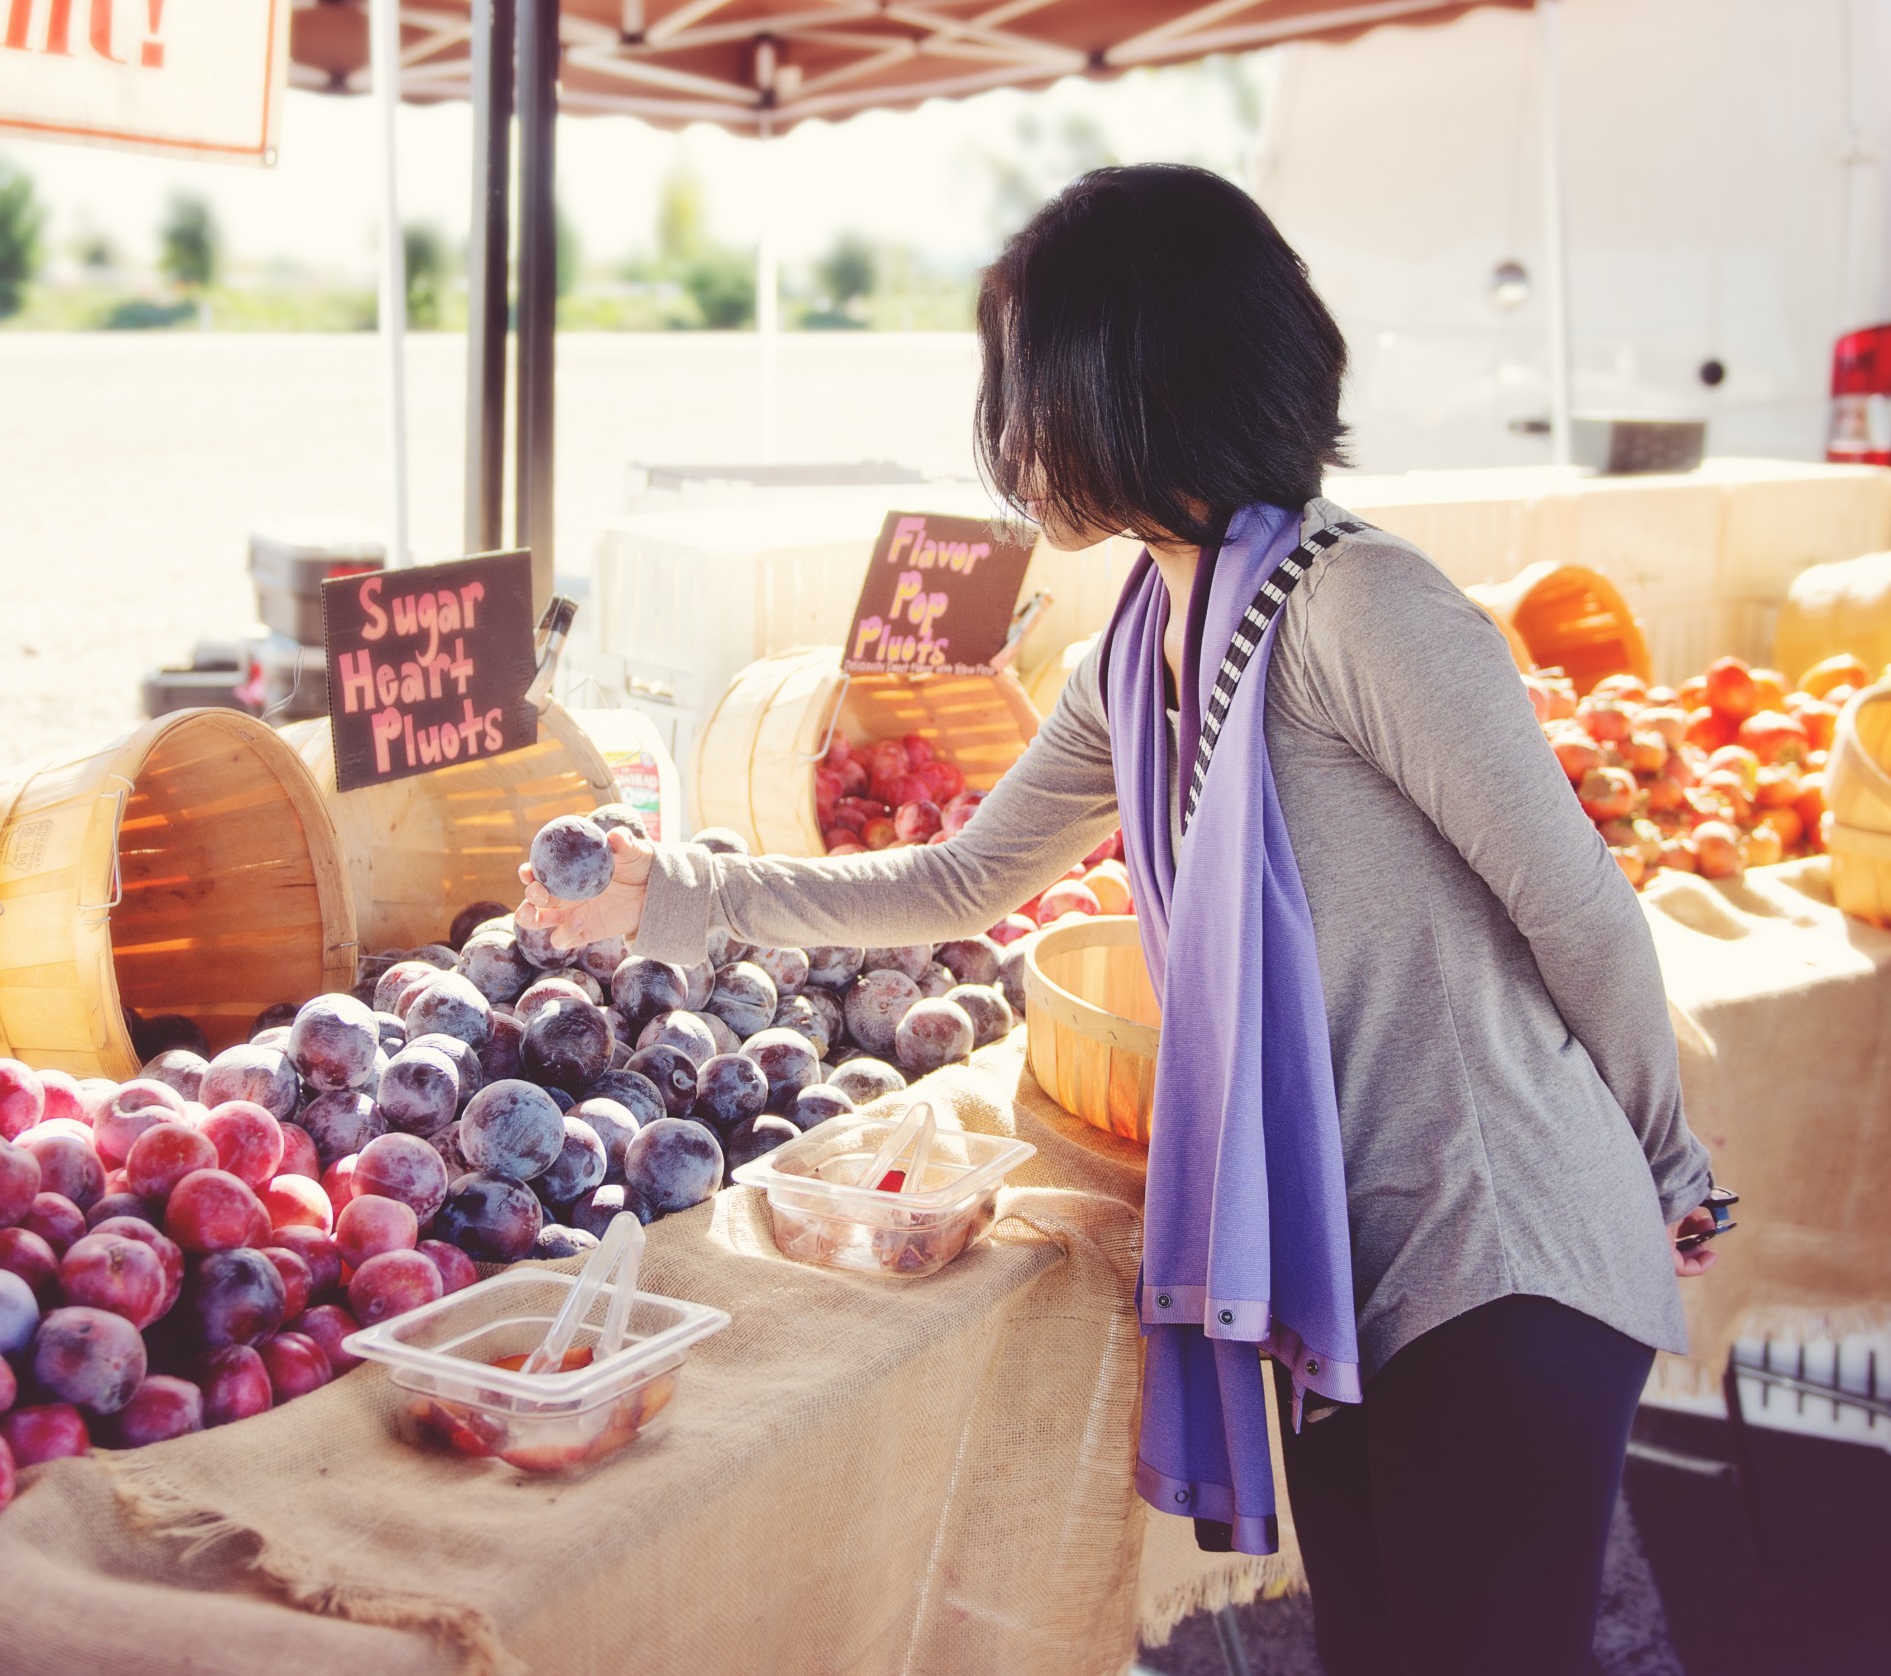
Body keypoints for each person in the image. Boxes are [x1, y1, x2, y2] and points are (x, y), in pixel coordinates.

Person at [519, 164, 1720, 1676]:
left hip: (1505, 1249)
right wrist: (675, 892)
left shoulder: (1369, 612)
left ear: (1127, 389)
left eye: (1024, 390)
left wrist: (1674, 1164)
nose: (1009, 440)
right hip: (1355, 1257)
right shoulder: (1142, 646)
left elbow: (1585, 914)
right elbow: (958, 878)